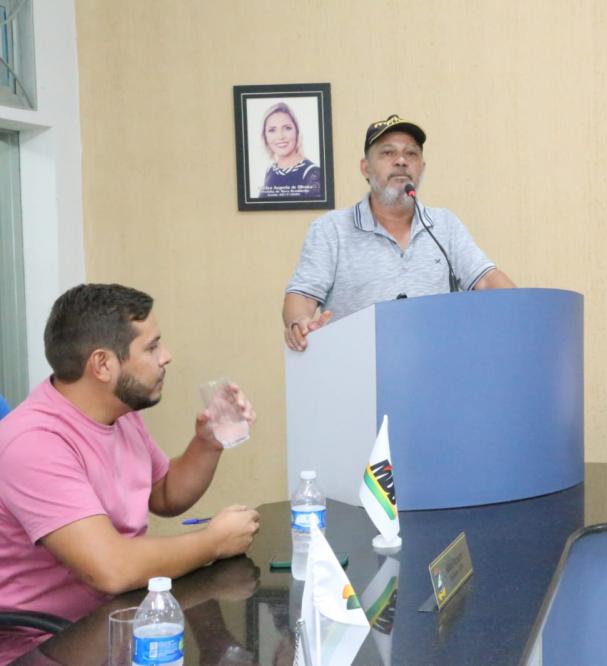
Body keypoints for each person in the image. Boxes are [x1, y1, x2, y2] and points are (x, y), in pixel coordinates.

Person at [0, 284, 260, 662]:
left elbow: (165, 494)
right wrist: (214, 542)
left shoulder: (120, 414)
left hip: (118, 619)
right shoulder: (33, 442)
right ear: (103, 364)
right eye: (152, 347)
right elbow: (111, 568)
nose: (166, 357)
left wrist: (208, 442)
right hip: (45, 644)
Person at [283, 114, 516, 351]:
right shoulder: (331, 229)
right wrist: (299, 321)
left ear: (422, 168)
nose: (401, 161)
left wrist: (522, 309)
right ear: (365, 168)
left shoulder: (445, 225)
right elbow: (303, 296)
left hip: (436, 364)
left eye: (411, 154)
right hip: (357, 365)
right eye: (388, 153)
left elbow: (486, 280)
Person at [258, 101, 322, 200]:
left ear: (297, 131)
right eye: (272, 130)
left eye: (287, 128)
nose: (280, 136)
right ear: (265, 136)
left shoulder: (312, 173)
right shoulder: (270, 170)